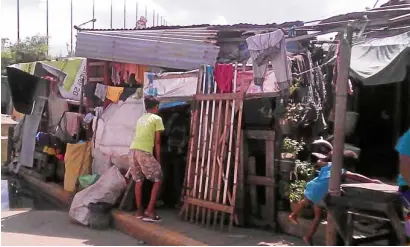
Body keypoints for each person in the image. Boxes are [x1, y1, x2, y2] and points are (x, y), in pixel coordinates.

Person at [288, 139, 382, 245]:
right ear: (349, 166)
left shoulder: (328, 165)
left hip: (313, 188)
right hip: (322, 195)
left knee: (311, 207)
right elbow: (357, 177)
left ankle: (296, 218)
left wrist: (327, 157)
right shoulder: (341, 171)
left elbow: (319, 162)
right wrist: (372, 181)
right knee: (324, 213)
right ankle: (310, 236)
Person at [128, 95, 164, 222]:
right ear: (156, 107)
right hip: (144, 151)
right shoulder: (157, 119)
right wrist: (158, 159)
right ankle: (149, 210)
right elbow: (158, 141)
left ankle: (139, 211)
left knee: (138, 180)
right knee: (158, 179)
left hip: (132, 151)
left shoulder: (140, 119)